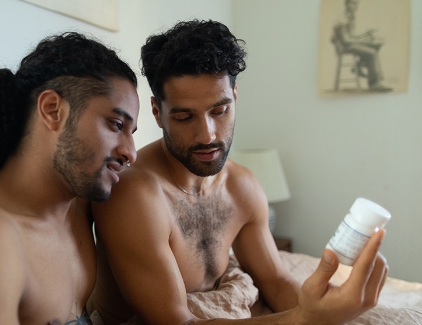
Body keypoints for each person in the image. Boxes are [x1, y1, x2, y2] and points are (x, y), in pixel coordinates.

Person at [87, 20, 388, 324]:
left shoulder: (241, 185)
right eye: (183, 116)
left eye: (220, 111)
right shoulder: (133, 194)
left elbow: (275, 282)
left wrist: (328, 311)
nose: (207, 135)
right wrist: (304, 319)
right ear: (157, 113)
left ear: (235, 96)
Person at [0, 32, 139, 325]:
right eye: (116, 124)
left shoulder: (74, 211)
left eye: (130, 134)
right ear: (52, 110)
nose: (131, 153)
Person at [332, 0, 392, 92]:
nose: (356, 6)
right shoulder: (342, 19)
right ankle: (374, 83)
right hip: (343, 47)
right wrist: (365, 41)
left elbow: (351, 36)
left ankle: (359, 66)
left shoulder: (350, 17)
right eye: (354, 4)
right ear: (347, 4)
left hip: (349, 44)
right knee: (372, 52)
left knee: (376, 45)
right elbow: (346, 41)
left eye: (357, 4)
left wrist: (366, 34)